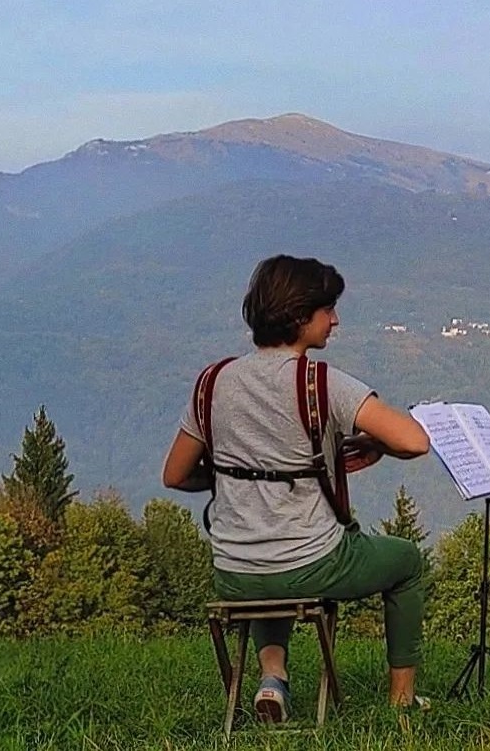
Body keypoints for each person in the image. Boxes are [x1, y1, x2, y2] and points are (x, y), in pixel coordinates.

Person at [162, 255, 431, 722]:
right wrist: (375, 447)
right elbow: (414, 441)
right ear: (300, 316)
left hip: (234, 570)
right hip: (310, 564)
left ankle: (273, 678)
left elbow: (176, 474)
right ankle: (402, 702)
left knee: (269, 549)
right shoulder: (322, 383)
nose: (336, 319)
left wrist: (237, 475)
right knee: (406, 562)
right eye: (328, 309)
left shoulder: (213, 383)